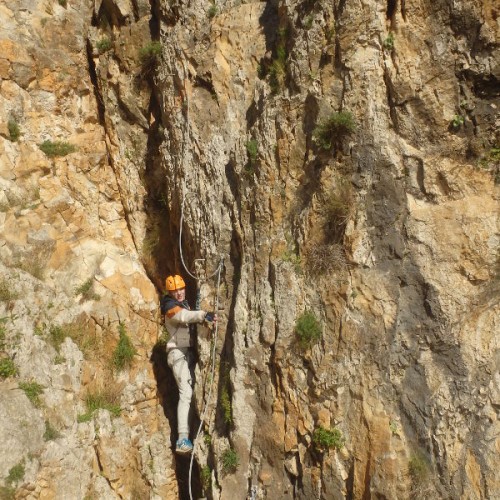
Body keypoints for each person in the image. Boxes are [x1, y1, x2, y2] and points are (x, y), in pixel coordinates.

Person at [161, 274, 216, 455]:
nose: (179, 293)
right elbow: (184, 317)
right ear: (170, 292)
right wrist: (203, 315)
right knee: (185, 393)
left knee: (190, 394)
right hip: (177, 354)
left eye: (181, 289)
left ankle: (189, 434)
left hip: (187, 353)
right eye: (175, 291)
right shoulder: (169, 307)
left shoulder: (183, 304)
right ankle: (182, 439)